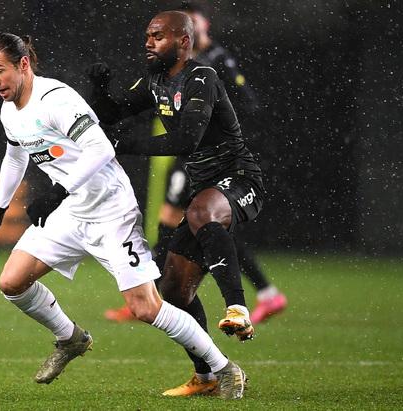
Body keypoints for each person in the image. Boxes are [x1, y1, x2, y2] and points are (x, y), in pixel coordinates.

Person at [0, 33, 247, 399]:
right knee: (11, 283)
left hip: (110, 211)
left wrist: (57, 191)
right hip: (69, 212)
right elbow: (15, 156)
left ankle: (224, 368)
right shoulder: (9, 110)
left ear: (23, 64)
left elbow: (101, 148)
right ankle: (70, 339)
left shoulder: (55, 99)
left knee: (145, 308)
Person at [86, 10, 262, 396]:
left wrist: (124, 144)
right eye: (148, 35)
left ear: (183, 42)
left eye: (158, 36)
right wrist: (99, 88)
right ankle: (208, 376)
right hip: (203, 188)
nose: (148, 42)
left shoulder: (202, 77)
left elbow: (186, 140)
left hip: (239, 177)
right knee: (174, 290)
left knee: (199, 211)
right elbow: (111, 114)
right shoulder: (155, 81)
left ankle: (238, 308)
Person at [104, 0, 286, 326]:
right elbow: (130, 107)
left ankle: (160, 297)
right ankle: (160, 297)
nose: (154, 42)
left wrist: (213, 120)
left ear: (199, 29)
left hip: (217, 159)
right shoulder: (167, 72)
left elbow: (248, 104)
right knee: (194, 225)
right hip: (192, 159)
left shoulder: (213, 63)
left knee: (199, 218)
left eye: (190, 23)